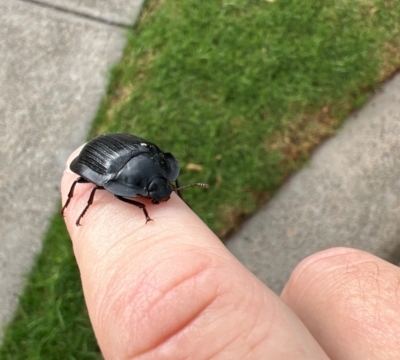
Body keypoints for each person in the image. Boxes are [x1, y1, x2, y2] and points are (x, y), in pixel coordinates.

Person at [61, 148, 400, 360]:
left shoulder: (152, 168)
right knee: (85, 187)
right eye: (153, 191)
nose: (162, 194)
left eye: (162, 186)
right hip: (110, 156)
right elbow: (94, 184)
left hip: (136, 155)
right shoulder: (113, 182)